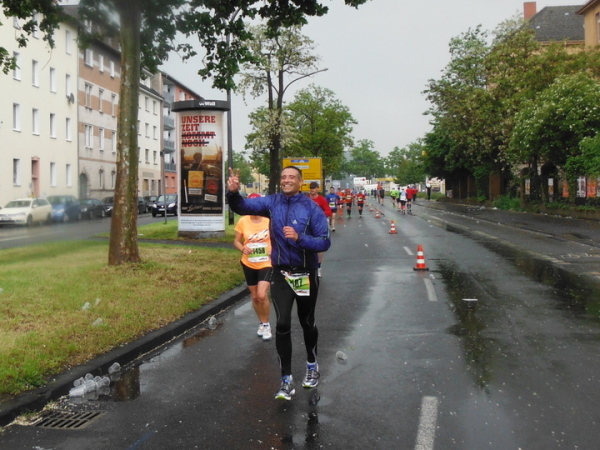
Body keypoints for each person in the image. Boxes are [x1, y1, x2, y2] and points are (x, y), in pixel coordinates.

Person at [227, 166, 331, 401]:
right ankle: (286, 379)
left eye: (291, 177)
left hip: (304, 273)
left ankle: (312, 365)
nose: (286, 180)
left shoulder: (311, 208)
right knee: (282, 323)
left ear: (300, 182)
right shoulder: (272, 202)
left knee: (306, 321)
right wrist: (233, 193)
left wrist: (300, 238)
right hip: (281, 273)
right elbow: (243, 207)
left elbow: (324, 242)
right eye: (283, 177)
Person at [233, 193, 272, 341]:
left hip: (266, 262)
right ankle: (261, 323)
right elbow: (236, 241)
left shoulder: (269, 220)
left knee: (262, 295)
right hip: (249, 262)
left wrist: (274, 249)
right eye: (251, 204)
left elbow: (278, 237)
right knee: (255, 297)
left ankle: (267, 325)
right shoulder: (243, 221)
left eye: (257, 204)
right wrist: (243, 248)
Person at [308, 182, 332, 278]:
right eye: (311, 188)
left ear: (317, 189)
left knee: (319, 246)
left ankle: (318, 267)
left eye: (314, 188)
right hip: (308, 224)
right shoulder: (306, 199)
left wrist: (319, 215)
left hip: (319, 224)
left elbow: (328, 211)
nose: (312, 189)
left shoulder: (322, 200)